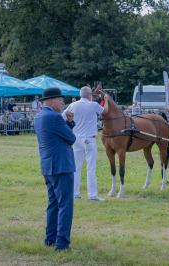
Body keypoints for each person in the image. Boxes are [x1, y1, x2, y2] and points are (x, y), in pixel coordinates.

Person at [34, 87, 76, 251]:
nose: (63, 103)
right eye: (60, 100)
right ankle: (62, 243)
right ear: (51, 101)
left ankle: (50, 239)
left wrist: (68, 122)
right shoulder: (55, 117)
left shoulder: (39, 117)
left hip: (48, 165)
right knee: (65, 205)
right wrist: (69, 123)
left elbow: (59, 136)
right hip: (61, 166)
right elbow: (71, 138)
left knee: (53, 204)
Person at [62, 86, 108, 201]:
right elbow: (105, 111)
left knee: (76, 167)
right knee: (90, 168)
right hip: (89, 139)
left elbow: (63, 117)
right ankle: (92, 195)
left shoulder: (73, 105)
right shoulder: (93, 105)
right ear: (89, 95)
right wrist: (106, 99)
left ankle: (75, 193)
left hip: (76, 138)